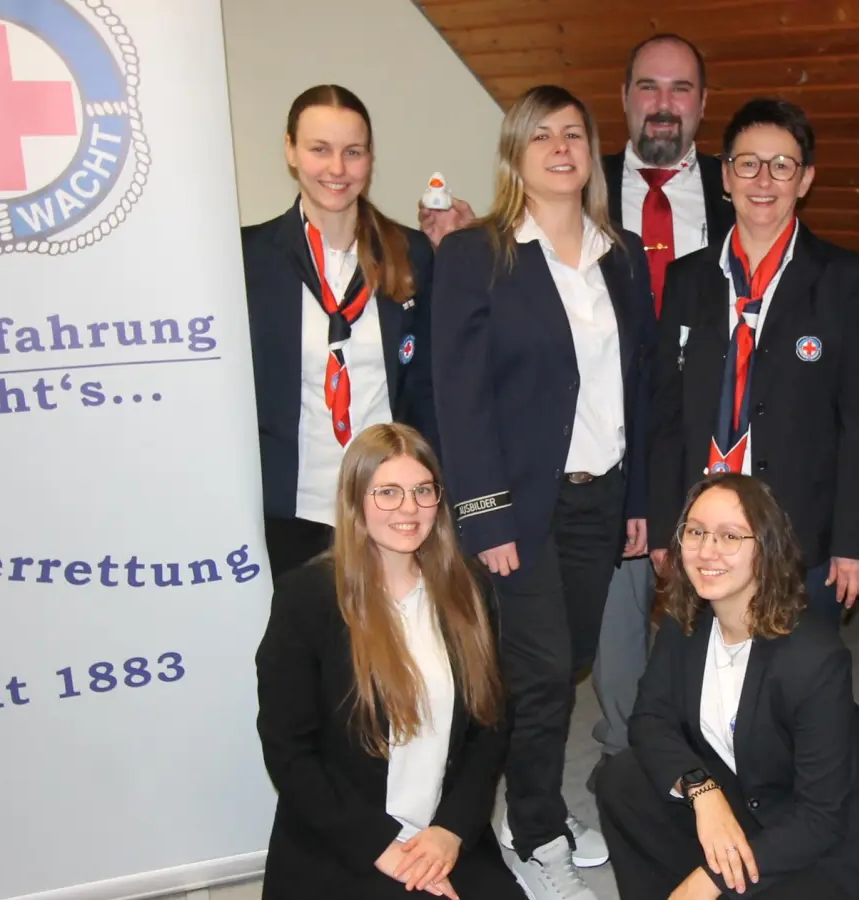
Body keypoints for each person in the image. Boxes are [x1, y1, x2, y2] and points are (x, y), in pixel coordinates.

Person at [432, 85, 655, 900]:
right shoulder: (476, 254)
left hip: (604, 498)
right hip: (521, 508)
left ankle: (539, 812)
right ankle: (535, 834)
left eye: (573, 134)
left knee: (573, 665)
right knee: (543, 671)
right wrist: (484, 514)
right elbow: (460, 397)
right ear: (515, 154)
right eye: (541, 135)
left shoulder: (619, 255)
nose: (561, 148)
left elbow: (640, 387)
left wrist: (641, 505)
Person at [597, 474, 859, 900]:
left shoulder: (813, 657)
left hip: (846, 836)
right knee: (623, 778)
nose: (706, 550)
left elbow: (820, 818)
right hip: (758, 795)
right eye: (695, 532)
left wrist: (708, 881)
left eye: (730, 536)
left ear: (766, 549)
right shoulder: (685, 620)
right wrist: (702, 789)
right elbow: (650, 719)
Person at [255, 423, 519, 900]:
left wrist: (451, 831)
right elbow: (289, 751)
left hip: (443, 834)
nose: (409, 508)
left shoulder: (470, 589)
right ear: (355, 502)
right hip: (345, 839)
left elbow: (491, 726)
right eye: (388, 493)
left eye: (423, 491)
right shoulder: (307, 598)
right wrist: (384, 849)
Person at [649, 98, 859, 631]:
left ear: (805, 180)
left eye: (783, 166)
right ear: (725, 176)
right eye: (748, 163)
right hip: (701, 530)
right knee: (700, 688)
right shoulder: (688, 279)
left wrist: (854, 542)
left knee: (791, 696)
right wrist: (665, 524)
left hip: (798, 530)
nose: (764, 180)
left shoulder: (843, 279)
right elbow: (664, 414)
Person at [589, 31, 736, 795]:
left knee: (707, 596)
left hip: (704, 434)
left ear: (703, 105)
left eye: (681, 89)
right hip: (606, 432)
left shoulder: (738, 186)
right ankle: (623, 756)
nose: (664, 105)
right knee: (620, 610)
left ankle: (709, 749)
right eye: (649, 87)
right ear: (624, 99)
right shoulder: (578, 181)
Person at [243, 85, 437, 577]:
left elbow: (430, 386)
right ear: (290, 150)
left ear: (370, 158)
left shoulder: (412, 253)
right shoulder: (249, 258)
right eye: (319, 149)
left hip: (391, 509)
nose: (337, 169)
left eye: (353, 152)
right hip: (292, 511)